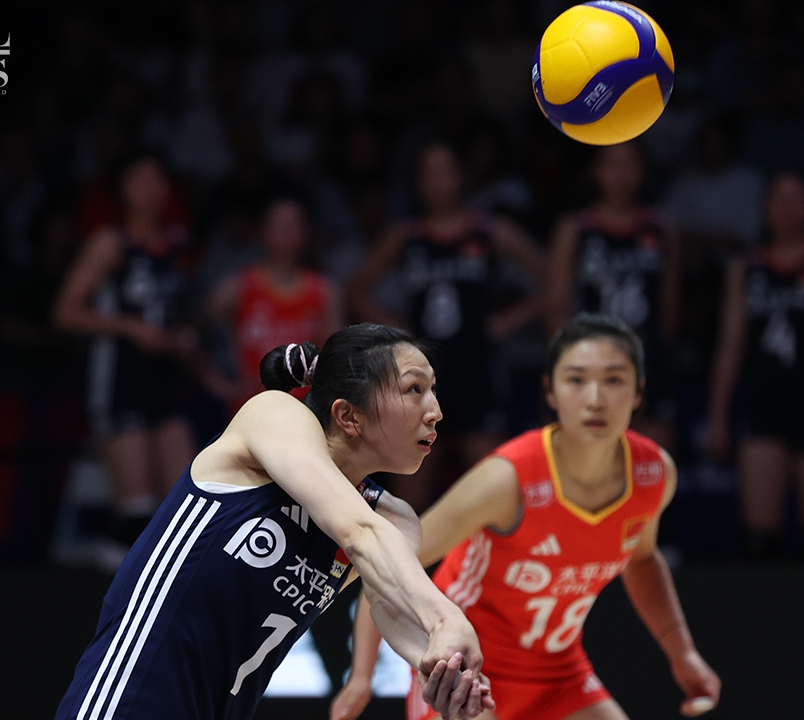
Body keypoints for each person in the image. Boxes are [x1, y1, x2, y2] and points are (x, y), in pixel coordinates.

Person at [55, 325, 495, 720]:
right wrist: (446, 617)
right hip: (134, 696)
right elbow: (357, 533)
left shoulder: (392, 519)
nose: (435, 410)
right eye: (414, 389)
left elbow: (393, 607)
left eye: (433, 390)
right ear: (348, 416)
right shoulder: (274, 415)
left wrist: (444, 668)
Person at [331, 314, 721, 720]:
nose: (595, 398)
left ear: (639, 391)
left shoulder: (653, 474)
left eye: (614, 380)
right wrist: (361, 677)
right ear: (550, 391)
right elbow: (389, 563)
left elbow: (642, 560)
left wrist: (683, 653)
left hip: (559, 673)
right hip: (465, 667)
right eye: (576, 379)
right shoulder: (508, 478)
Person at [348, 142, 545, 512]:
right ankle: (411, 551)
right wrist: (398, 331)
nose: (438, 181)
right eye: (429, 173)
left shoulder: (488, 231)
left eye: (446, 171)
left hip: (476, 368)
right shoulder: (406, 236)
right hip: (419, 373)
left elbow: (550, 275)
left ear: (460, 177)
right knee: (410, 502)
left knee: (494, 494)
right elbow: (357, 289)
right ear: (418, 183)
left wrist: (506, 321)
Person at [708, 172, 804, 558]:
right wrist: (718, 417)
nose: (787, 208)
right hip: (762, 405)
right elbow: (731, 345)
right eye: (779, 199)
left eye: (797, 199)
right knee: (760, 539)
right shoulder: (746, 268)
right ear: (765, 208)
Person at [54, 155, 199, 548]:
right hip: (120, 380)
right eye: (139, 180)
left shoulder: (177, 244)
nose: (150, 188)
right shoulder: (110, 243)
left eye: (157, 178)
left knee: (189, 508)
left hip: (166, 380)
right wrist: (130, 327)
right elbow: (65, 311)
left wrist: (184, 342)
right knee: (138, 515)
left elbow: (178, 315)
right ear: (122, 190)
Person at [545, 142, 681, 450]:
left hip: (648, 357)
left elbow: (670, 308)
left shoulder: (660, 227)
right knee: (591, 466)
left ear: (643, 172)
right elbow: (556, 306)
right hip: (590, 361)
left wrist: (660, 352)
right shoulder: (576, 228)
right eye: (611, 165)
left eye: (629, 165)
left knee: (650, 465)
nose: (620, 174)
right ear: (596, 172)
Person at [205, 197, 343, 412]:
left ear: (306, 233)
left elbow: (337, 359)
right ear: (263, 232)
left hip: (306, 414)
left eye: (294, 225)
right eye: (279, 225)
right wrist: (220, 383)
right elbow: (192, 336)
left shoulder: (324, 291)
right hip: (251, 413)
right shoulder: (238, 287)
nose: (287, 233)